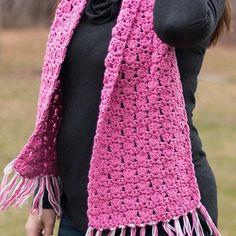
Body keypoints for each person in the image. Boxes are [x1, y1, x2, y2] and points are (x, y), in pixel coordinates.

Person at [0, 0, 232, 235]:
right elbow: (70, 103)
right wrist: (47, 199)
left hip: (162, 213)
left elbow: (178, 25)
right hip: (79, 213)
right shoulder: (80, 4)